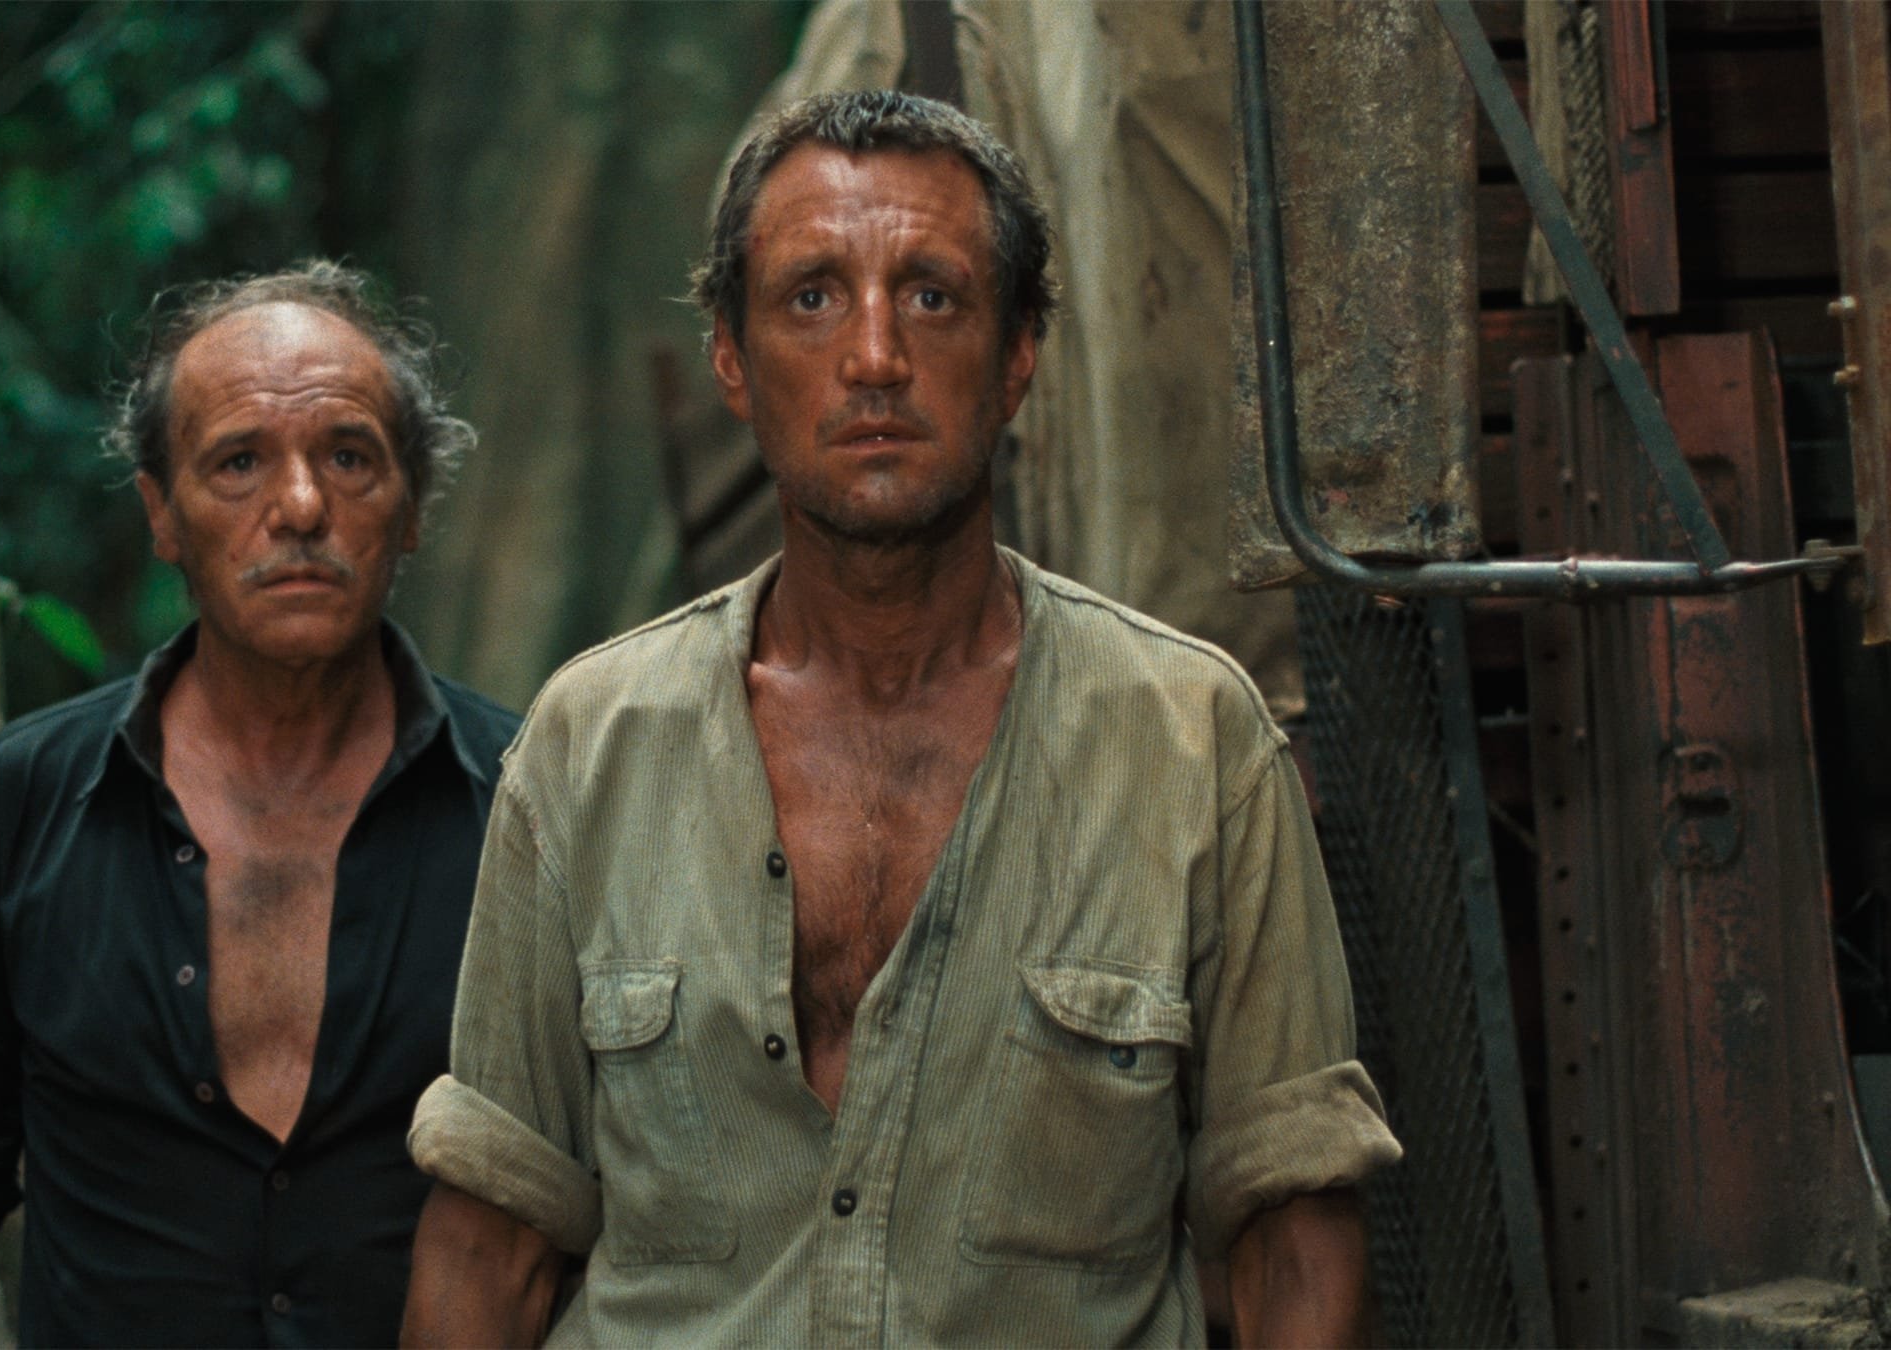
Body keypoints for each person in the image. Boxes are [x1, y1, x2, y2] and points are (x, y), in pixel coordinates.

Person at [400, 91, 1401, 1347]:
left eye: (932, 296)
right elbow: (489, 1245)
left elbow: (1295, 1239)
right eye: (813, 297)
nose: (875, 356)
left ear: (1019, 353)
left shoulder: (1192, 741)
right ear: (730, 359)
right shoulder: (590, 743)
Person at [0, 261, 520, 1348]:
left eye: (349, 458)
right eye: (239, 462)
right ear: (161, 512)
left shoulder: (532, 807)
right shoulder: (22, 808)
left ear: (412, 509)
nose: (301, 508)